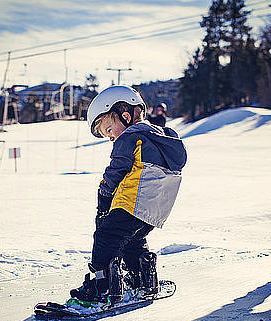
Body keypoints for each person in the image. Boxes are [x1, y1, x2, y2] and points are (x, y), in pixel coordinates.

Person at [70, 86, 187, 305]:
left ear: (125, 115)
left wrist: (104, 195)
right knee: (134, 240)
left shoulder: (130, 137)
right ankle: (143, 278)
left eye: (108, 128)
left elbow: (116, 170)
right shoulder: (163, 138)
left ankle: (101, 287)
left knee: (106, 237)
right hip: (154, 211)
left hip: (131, 203)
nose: (111, 137)